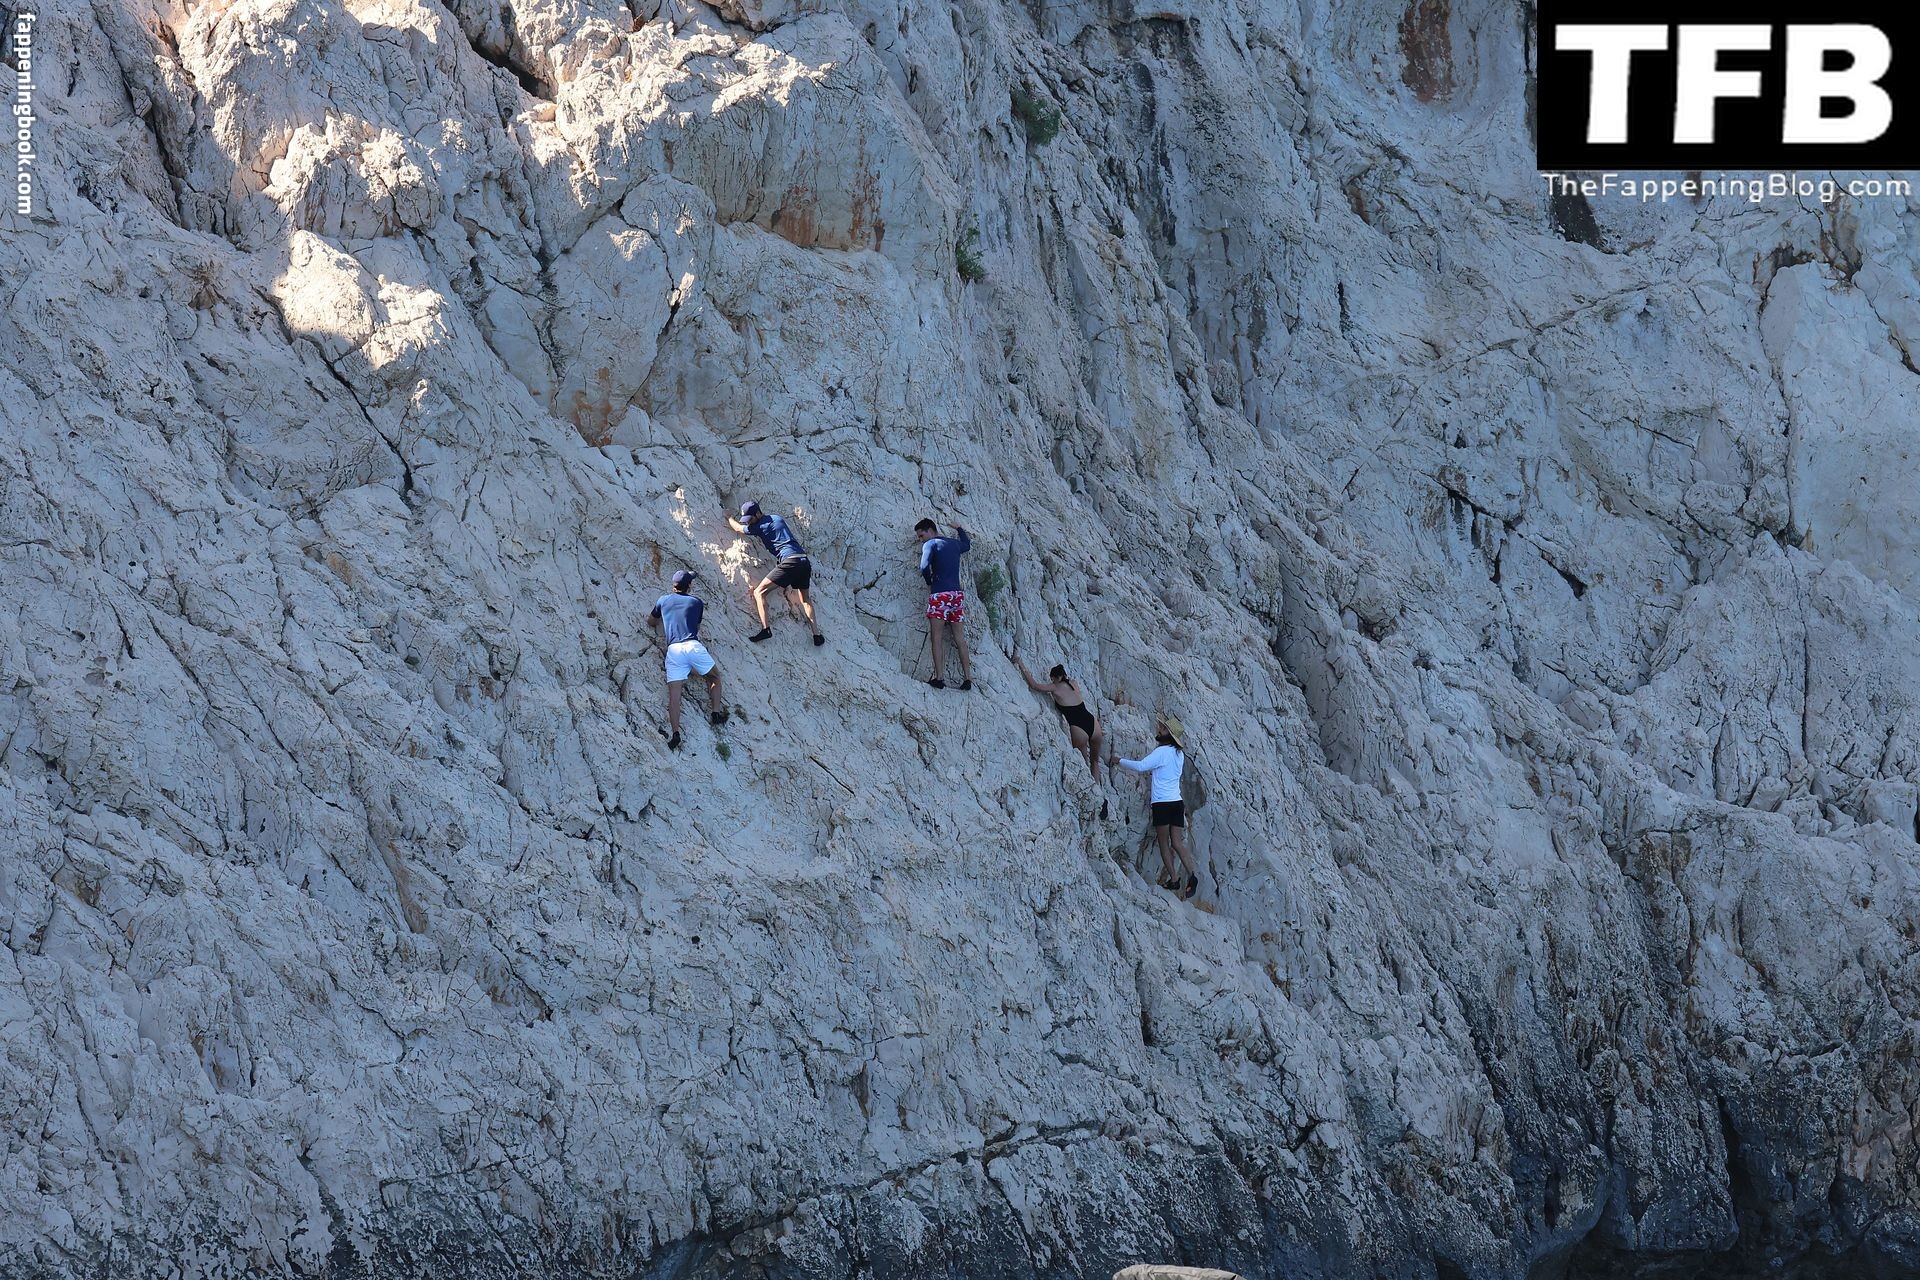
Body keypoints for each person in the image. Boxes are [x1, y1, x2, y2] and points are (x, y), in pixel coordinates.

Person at [1111, 717, 1196, 898]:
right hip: (1177, 802)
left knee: (1164, 843)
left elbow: (1141, 766)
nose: (1159, 730)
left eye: (1163, 729)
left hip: (1162, 804)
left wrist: (1119, 760)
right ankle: (1192, 876)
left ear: (1169, 735)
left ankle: (1174, 880)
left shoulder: (1161, 752)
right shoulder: (1179, 755)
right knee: (1177, 843)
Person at [648, 570, 727, 750]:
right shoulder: (696, 602)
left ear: (673, 585)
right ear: (689, 585)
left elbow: (651, 621)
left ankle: (675, 733)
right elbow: (696, 626)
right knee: (715, 678)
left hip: (674, 650)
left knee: (674, 696)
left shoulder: (663, 600)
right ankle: (715, 714)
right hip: (692, 646)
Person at [726, 501, 824, 646]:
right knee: (805, 599)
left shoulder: (762, 526)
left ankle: (766, 630)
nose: (749, 522)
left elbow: (739, 528)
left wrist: (728, 517)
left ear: (758, 513)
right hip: (803, 561)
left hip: (790, 562)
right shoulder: (777, 518)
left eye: (750, 518)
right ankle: (817, 635)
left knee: (759, 592)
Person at [1014, 655, 1103, 780]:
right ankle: (1098, 789)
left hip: (1078, 728)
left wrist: (1020, 663)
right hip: (1093, 723)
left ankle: (1092, 790)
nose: (1051, 681)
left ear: (1055, 677)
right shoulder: (1073, 683)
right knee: (1095, 762)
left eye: (1052, 679)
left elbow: (1034, 685)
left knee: (1083, 766)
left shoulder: (1055, 687)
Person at [914, 517, 972, 690]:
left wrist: (929, 581)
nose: (920, 539)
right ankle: (967, 679)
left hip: (940, 594)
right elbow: (967, 545)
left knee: (936, 637)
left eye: (921, 535)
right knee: (959, 638)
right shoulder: (954, 544)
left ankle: (939, 678)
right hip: (956, 595)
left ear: (930, 530)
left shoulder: (930, 544)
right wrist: (959, 528)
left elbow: (924, 566)